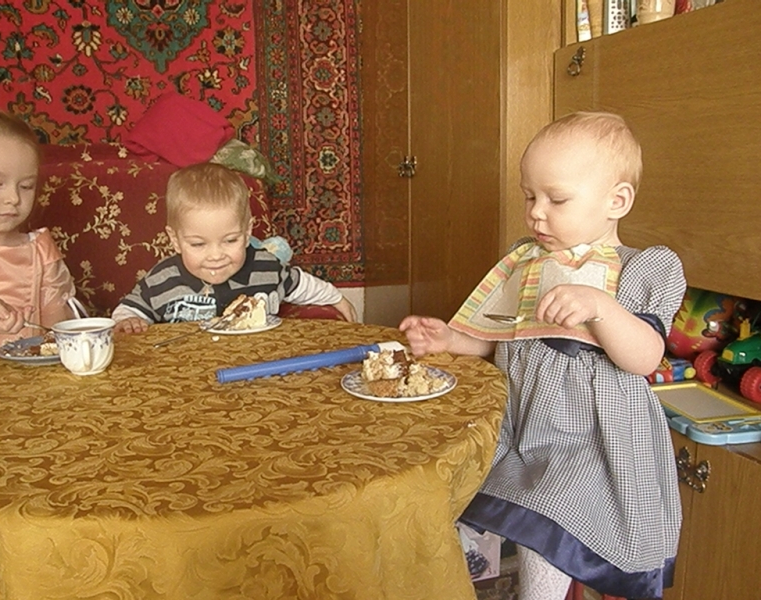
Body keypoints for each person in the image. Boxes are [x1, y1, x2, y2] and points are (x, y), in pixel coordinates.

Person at [400, 112, 686, 600]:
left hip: (590, 439)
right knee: (464, 494)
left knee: (546, 529)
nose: (536, 213)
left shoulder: (641, 269)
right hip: (523, 423)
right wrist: (450, 339)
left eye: (557, 199)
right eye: (529, 196)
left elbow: (644, 357)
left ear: (617, 201)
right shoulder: (528, 261)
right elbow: (505, 336)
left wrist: (601, 307)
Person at [112, 162, 356, 332]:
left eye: (230, 240)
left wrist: (338, 299)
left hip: (254, 371)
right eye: (198, 244)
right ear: (175, 240)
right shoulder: (162, 279)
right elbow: (128, 310)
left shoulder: (266, 267)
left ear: (247, 232)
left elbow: (301, 284)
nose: (216, 256)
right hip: (186, 376)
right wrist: (128, 322)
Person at [0, 109, 77, 368]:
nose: (13, 198)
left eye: (26, 186)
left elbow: (57, 333)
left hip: (30, 384)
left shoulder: (39, 251)